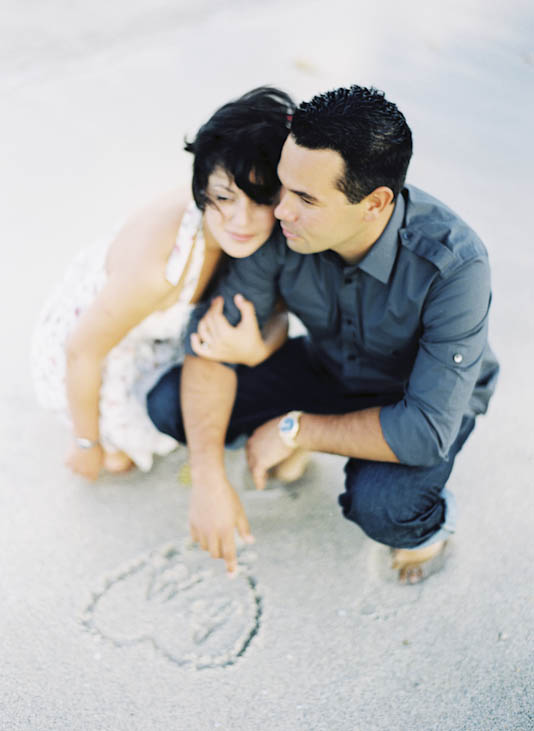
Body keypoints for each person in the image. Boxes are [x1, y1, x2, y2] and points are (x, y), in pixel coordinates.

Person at [146, 85, 499, 583]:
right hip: (326, 366)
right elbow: (209, 349)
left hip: (413, 398)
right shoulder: (284, 221)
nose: (280, 210)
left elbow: (424, 431)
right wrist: (208, 480)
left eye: (305, 198)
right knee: (167, 404)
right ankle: (311, 433)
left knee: (387, 510)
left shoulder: (454, 263)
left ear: (374, 203)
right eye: (282, 186)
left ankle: (430, 527)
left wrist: (296, 427)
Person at [31, 86, 295, 480]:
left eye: (262, 200)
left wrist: (259, 349)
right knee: (118, 459)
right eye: (225, 197)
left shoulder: (275, 233)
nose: (242, 221)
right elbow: (81, 351)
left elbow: (279, 314)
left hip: (146, 335)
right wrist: (85, 443)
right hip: (90, 345)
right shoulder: (159, 268)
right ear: (202, 184)